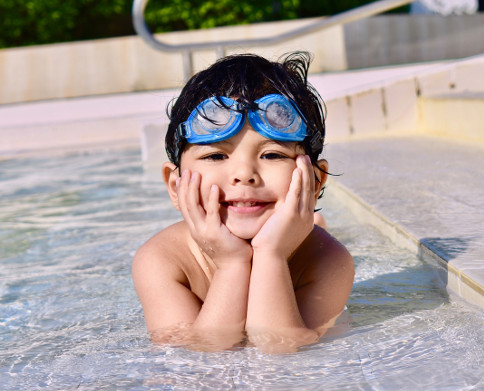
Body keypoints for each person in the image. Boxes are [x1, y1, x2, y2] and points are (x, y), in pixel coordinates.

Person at [132, 52, 354, 352]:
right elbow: (196, 357)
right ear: (175, 185)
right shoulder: (162, 260)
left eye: (272, 154)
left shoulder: (328, 260)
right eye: (215, 155)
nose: (244, 175)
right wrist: (232, 264)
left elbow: (280, 349)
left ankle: (314, 222)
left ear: (315, 181)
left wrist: (271, 255)